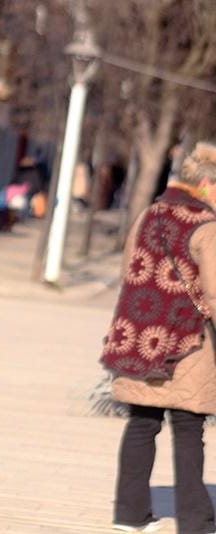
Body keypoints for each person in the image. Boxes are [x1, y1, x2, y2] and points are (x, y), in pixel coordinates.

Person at [101, 141, 216, 534]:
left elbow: (128, 272)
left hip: (142, 339)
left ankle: (129, 515)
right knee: (188, 430)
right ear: (207, 186)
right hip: (188, 346)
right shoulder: (207, 227)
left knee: (141, 423)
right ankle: (195, 522)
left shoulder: (150, 214)